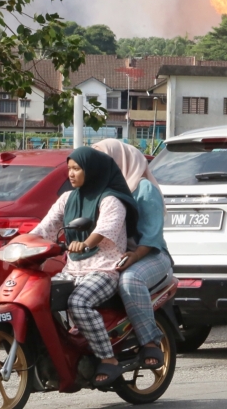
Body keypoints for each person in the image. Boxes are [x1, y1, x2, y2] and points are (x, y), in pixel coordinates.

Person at [28, 147, 139, 387]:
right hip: (73, 269)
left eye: (77, 169)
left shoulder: (111, 199)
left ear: (92, 170)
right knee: (36, 298)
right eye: (69, 169)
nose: (71, 174)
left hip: (104, 269)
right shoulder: (67, 198)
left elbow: (104, 230)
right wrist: (21, 242)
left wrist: (85, 243)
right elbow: (46, 227)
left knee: (78, 302)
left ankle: (108, 359)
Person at [94, 139, 172, 371]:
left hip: (149, 255)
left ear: (120, 161)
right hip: (112, 255)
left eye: (104, 161)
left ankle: (150, 342)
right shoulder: (100, 190)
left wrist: (134, 256)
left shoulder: (143, 189)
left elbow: (151, 237)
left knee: (130, 280)